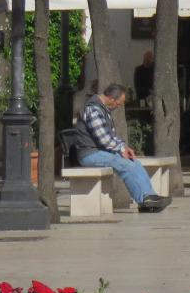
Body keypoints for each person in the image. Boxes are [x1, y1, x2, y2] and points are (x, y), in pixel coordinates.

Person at [72, 84, 170, 212]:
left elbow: (109, 137)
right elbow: (104, 139)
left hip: (99, 151)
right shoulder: (93, 110)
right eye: (118, 103)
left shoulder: (102, 109)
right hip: (89, 154)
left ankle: (149, 196)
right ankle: (144, 200)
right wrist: (121, 149)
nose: (118, 106)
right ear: (112, 99)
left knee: (133, 162)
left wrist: (124, 147)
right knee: (124, 165)